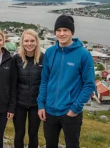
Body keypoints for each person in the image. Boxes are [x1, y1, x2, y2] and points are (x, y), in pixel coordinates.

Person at [37, 15, 95, 148]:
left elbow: (89, 84)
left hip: (70, 112)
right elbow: (45, 79)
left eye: (65, 30)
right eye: (59, 30)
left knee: (72, 145)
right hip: (50, 110)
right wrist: (41, 104)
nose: (62, 34)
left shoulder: (83, 55)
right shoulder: (50, 52)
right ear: (55, 32)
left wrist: (75, 109)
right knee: (50, 144)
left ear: (72, 32)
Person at [12, 29, 44, 148]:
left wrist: (43, 104)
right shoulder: (16, 59)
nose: (29, 44)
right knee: (19, 134)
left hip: (36, 104)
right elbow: (12, 83)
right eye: (26, 41)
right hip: (19, 104)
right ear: (22, 42)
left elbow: (45, 82)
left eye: (32, 41)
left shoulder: (43, 59)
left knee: (33, 134)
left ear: (36, 42)